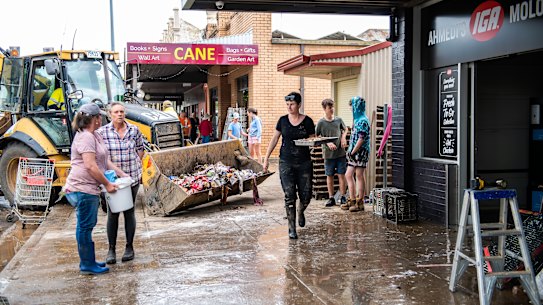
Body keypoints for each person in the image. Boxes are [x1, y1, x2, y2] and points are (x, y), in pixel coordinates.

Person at [64, 103, 127, 275]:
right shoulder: (85, 137)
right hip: (81, 188)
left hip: (88, 188)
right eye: (99, 116)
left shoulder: (95, 135)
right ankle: (86, 264)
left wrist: (122, 174)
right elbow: (91, 166)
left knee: (88, 225)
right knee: (84, 226)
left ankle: (89, 261)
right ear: (94, 119)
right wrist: (107, 184)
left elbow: (104, 161)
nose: (101, 119)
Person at [263, 92, 315, 239]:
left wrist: (313, 143)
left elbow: (313, 139)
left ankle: (301, 210)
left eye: (292, 104)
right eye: (287, 104)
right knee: (289, 195)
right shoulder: (283, 121)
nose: (289, 107)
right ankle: (291, 228)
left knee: (306, 195)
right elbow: (274, 139)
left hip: (304, 162)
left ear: (299, 105)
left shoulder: (308, 121)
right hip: (286, 162)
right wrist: (266, 158)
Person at [98, 102, 144, 264]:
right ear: (110, 114)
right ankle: (111, 249)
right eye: (116, 112)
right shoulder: (102, 133)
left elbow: (140, 149)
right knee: (113, 213)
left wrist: (136, 165)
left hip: (131, 177)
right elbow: (101, 157)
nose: (120, 114)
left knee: (129, 211)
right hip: (113, 180)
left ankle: (129, 247)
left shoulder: (134, 130)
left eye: (122, 111)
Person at [315, 99, 348, 207]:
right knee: (329, 175)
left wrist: (343, 138)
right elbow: (316, 136)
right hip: (328, 155)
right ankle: (331, 198)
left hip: (340, 153)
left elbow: (345, 129)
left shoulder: (338, 120)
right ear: (325, 109)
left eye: (333, 107)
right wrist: (327, 142)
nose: (332, 109)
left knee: (341, 175)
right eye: (330, 108)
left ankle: (343, 197)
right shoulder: (321, 123)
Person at [341, 96, 371, 212]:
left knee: (358, 175)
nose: (350, 109)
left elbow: (361, 139)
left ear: (356, 107)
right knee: (349, 175)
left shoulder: (363, 121)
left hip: (360, 151)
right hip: (354, 151)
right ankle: (353, 200)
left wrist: (352, 152)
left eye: (351, 107)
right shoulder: (358, 119)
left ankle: (359, 202)